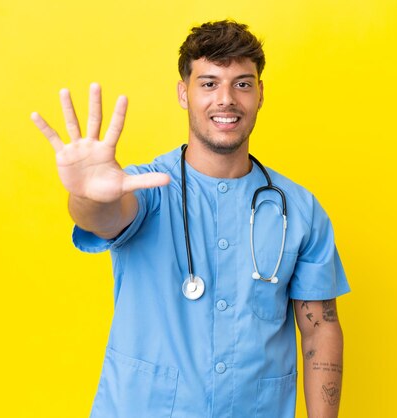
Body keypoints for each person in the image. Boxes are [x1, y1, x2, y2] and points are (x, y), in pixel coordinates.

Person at [32, 20, 350, 418]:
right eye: (209, 83)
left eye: (242, 83)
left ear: (260, 93)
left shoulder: (299, 210)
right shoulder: (146, 189)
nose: (226, 99)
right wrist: (85, 194)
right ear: (184, 93)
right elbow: (105, 217)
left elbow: (320, 327)